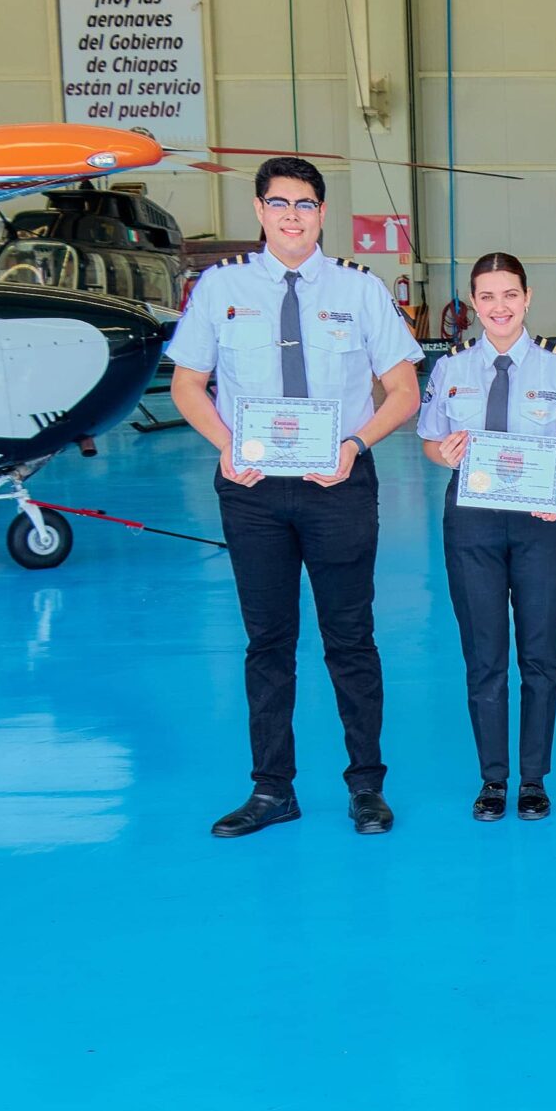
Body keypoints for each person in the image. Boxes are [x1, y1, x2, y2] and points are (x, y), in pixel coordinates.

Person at [168, 156, 421, 840]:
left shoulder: (360, 291)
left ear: (321, 213)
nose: (291, 215)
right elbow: (187, 384)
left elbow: (404, 391)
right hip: (252, 494)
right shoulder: (218, 290)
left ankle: (367, 787)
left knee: (351, 639)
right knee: (268, 642)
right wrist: (225, 442)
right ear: (258, 210)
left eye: (305, 204)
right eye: (279, 202)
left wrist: (356, 445)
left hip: (336, 485)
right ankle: (271, 789)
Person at [418, 253, 556, 824]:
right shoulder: (450, 370)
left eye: (510, 295)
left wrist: (554, 485)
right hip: (472, 521)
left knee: (540, 655)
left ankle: (534, 779)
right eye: (487, 297)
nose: (499, 307)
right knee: (484, 655)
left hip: (541, 524)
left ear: (528, 298)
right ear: (474, 304)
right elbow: (430, 441)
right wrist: (440, 452)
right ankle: (493, 779)